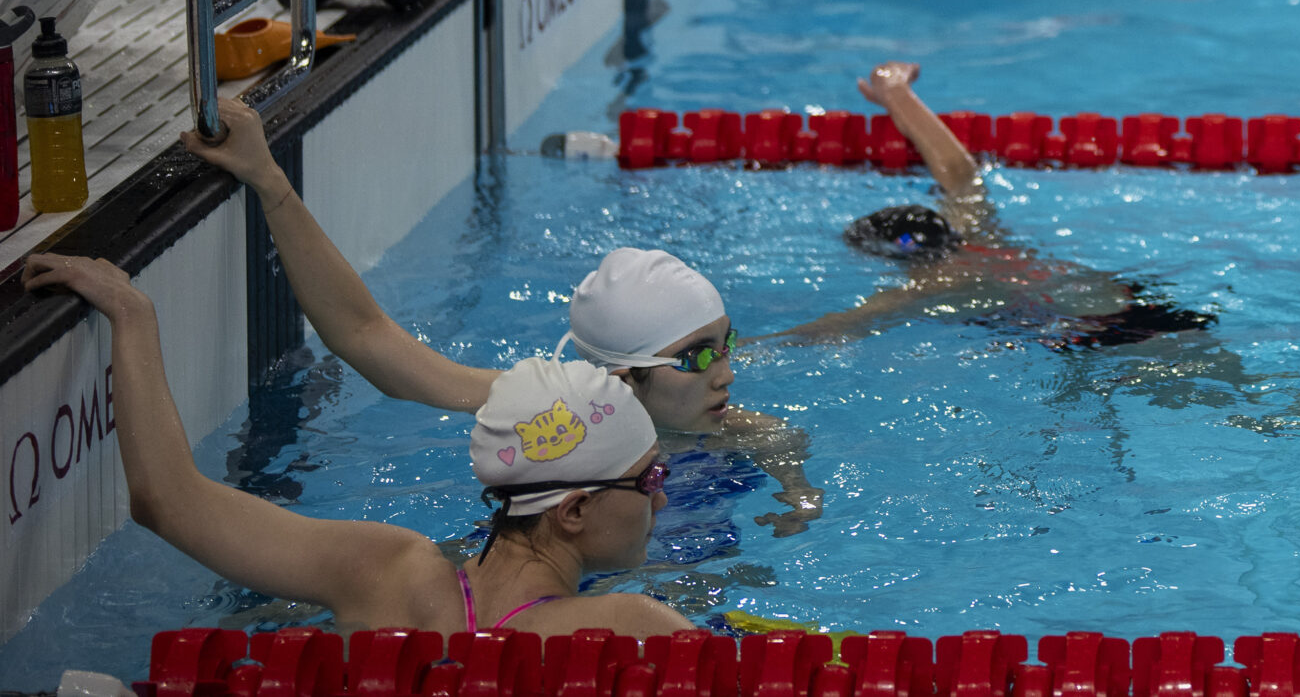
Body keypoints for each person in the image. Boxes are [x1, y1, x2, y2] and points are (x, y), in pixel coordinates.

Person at [180, 98, 824, 549]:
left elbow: (785, 445)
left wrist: (798, 496)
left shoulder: (739, 433)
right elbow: (366, 335)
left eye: (726, 345)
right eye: (697, 356)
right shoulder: (554, 414)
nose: (727, 373)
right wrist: (271, 183)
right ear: (625, 382)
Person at [20, 253, 687, 639]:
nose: (661, 496)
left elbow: (167, 499)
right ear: (571, 509)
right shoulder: (633, 626)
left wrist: (133, 316)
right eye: (649, 478)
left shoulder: (385, 569)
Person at [774, 62, 1215, 352]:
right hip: (1138, 298)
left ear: (892, 254)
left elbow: (839, 326)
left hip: (1099, 335)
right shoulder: (977, 232)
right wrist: (896, 92)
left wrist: (736, 348)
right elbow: (957, 171)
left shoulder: (929, 283)